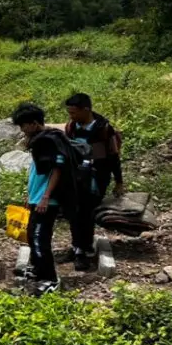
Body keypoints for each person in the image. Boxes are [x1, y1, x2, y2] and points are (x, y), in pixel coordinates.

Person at [12, 103, 69, 290]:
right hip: (37, 197)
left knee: (39, 238)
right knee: (31, 235)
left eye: (23, 125)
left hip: (47, 200)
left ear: (34, 123)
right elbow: (38, 172)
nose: (22, 130)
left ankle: (50, 279)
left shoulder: (49, 141)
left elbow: (57, 169)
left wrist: (45, 196)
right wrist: (31, 195)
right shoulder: (40, 140)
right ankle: (38, 269)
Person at [64, 93, 123, 270]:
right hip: (76, 177)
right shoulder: (72, 127)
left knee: (86, 214)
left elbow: (113, 156)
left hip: (96, 179)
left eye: (74, 112)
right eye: (69, 113)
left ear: (86, 110)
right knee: (74, 213)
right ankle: (77, 246)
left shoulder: (102, 129)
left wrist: (119, 181)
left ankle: (84, 250)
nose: (71, 116)